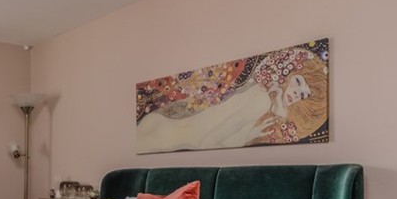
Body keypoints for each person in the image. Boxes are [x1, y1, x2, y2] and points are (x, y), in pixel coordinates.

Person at [136, 44, 328, 153]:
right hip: (160, 139)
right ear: (288, 72)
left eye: (303, 95)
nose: (297, 94)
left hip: (159, 128)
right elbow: (205, 144)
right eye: (298, 82)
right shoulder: (261, 100)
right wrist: (249, 137)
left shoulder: (259, 92)